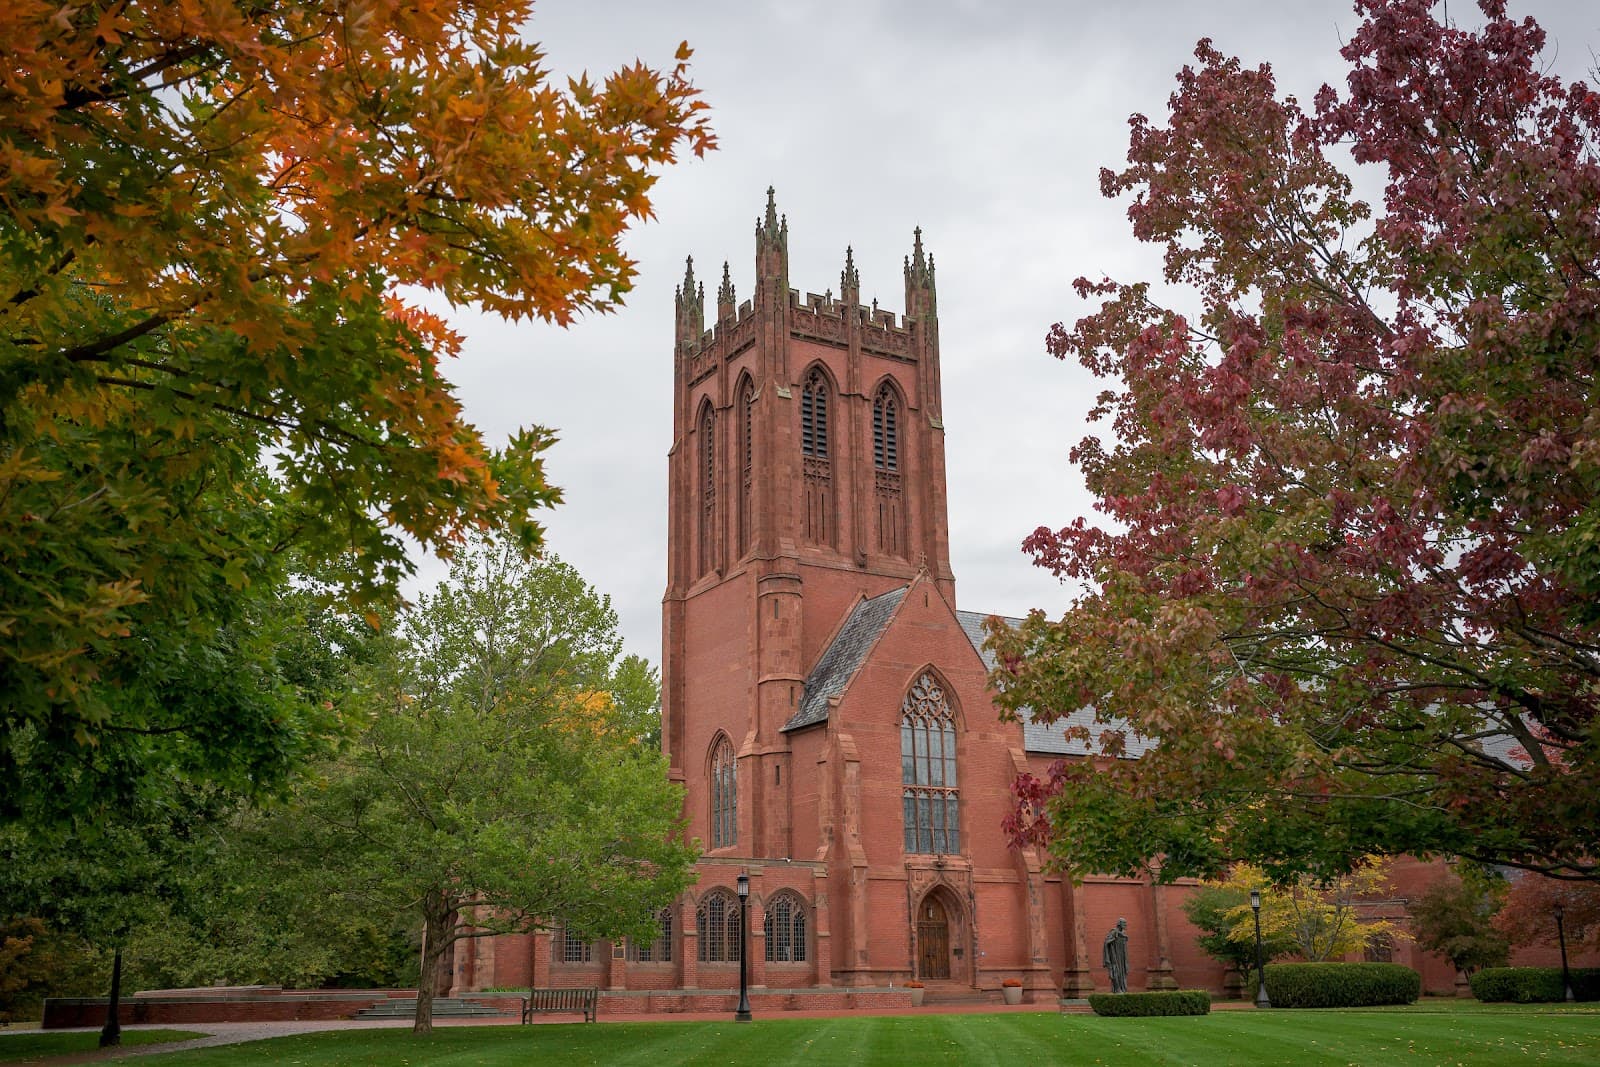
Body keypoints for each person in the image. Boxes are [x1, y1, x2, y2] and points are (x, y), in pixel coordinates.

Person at [1102, 918, 1129, 994]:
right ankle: (1117, 989)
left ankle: (1122, 988)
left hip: (1122, 957)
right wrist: (1114, 939)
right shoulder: (1113, 932)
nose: (1125, 925)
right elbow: (1106, 942)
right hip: (1114, 956)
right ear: (1119, 924)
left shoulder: (1123, 933)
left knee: (1122, 972)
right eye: (1124, 924)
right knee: (1115, 971)